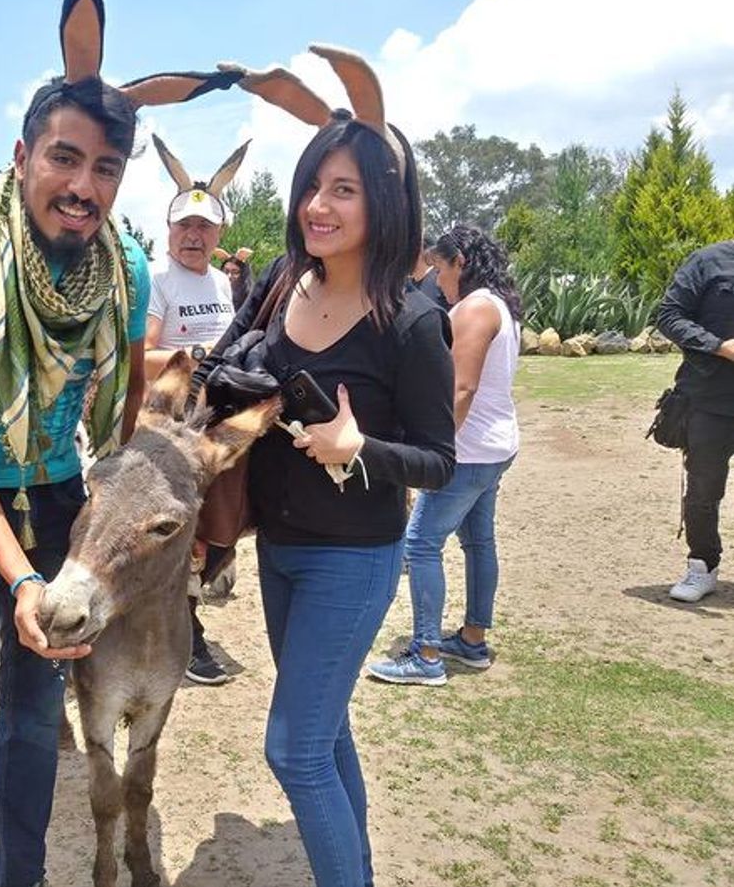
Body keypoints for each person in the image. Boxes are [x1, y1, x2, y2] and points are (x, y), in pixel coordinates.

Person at [0, 0, 246, 882]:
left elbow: (128, 400)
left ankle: (21, 874)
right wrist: (21, 578)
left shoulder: (125, 265)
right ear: (22, 156)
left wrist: (153, 451)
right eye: (65, 158)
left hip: (55, 492)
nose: (83, 187)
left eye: (105, 169)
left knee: (27, 720)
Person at [219, 48, 455, 887]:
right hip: (276, 550)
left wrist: (361, 450)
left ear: (382, 203)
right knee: (326, 733)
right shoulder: (288, 284)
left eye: (344, 190)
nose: (318, 205)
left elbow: (437, 459)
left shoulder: (412, 319)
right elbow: (232, 363)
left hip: (352, 559)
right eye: (314, 186)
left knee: (293, 748)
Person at [367, 225, 520, 685]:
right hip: (494, 446)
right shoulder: (501, 305)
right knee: (478, 543)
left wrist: (433, 450)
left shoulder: (473, 308)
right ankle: (472, 639)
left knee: (420, 543)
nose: (437, 279)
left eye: (441, 268)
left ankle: (426, 652)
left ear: (461, 263)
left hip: (469, 450)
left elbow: (462, 387)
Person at [144, 134, 250, 686]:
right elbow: (144, 356)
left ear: (218, 235)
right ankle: (184, 634)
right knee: (178, 534)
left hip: (217, 420)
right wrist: (200, 358)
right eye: (185, 226)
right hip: (169, 428)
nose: (194, 236)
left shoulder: (220, 283)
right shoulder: (156, 282)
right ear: (169, 232)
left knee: (221, 528)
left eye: (204, 228)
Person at [656, 238, 734, 602]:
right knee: (703, 490)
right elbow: (669, 315)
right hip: (708, 401)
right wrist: (721, 346)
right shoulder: (706, 262)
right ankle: (702, 567)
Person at [219, 246, 254, 311]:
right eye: (226, 271)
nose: (229, 276)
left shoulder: (252, 300)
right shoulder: (215, 295)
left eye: (235, 272)